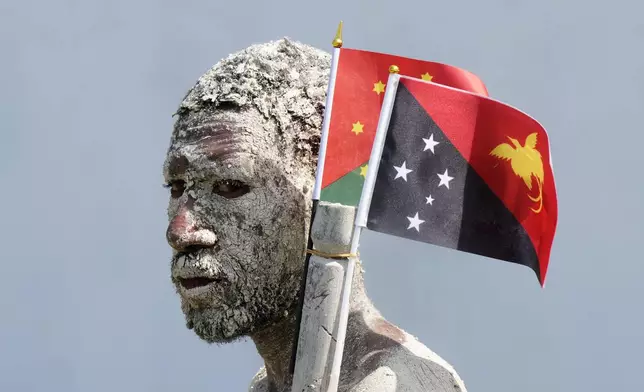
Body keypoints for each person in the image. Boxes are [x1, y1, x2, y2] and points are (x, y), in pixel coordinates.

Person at [163, 37, 467, 392]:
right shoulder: (266, 387)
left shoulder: (396, 385)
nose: (180, 230)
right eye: (176, 187)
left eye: (231, 185)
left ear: (324, 193)